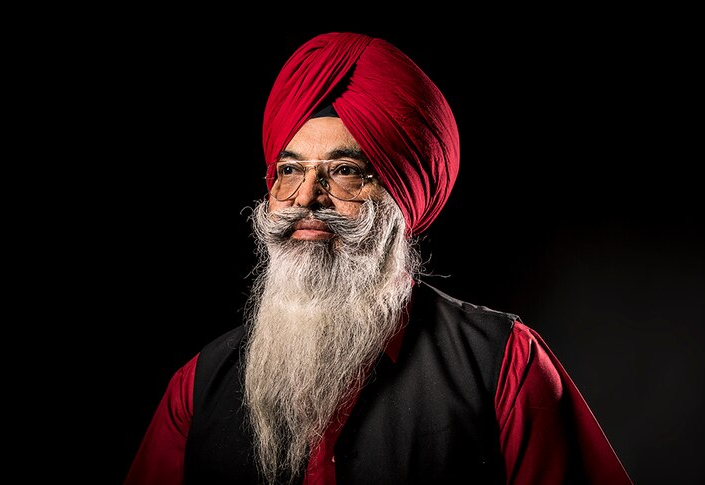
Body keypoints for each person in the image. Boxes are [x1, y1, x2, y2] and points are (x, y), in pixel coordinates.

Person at [124, 31, 632, 485]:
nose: (305, 199)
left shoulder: (504, 364)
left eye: (345, 170)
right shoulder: (197, 387)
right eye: (289, 170)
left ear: (399, 199)